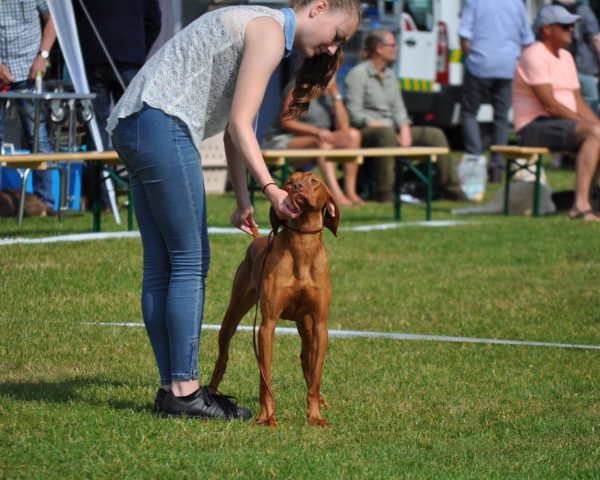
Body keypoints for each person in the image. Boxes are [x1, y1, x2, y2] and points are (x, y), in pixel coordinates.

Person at [108, 0, 361, 419]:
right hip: (163, 123)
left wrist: (243, 201)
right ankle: (186, 392)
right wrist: (271, 188)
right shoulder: (269, 29)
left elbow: (232, 130)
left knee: (161, 265)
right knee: (190, 261)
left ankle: (172, 388)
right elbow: (242, 125)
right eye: (338, 36)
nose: (334, 49)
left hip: (133, 123)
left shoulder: (258, 25)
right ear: (318, 9)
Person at [344, 28, 465, 203]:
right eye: (392, 45)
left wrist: (404, 128)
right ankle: (385, 191)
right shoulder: (358, 75)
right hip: (368, 131)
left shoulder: (391, 75)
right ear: (379, 48)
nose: (397, 48)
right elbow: (354, 114)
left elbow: (399, 109)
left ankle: (452, 188)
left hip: (392, 129)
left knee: (435, 135)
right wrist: (375, 124)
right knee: (385, 134)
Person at [513, 4, 600, 221]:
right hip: (533, 125)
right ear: (546, 29)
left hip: (558, 122)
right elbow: (550, 105)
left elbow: (578, 101)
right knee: (593, 134)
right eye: (565, 26)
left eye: (572, 25)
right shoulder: (534, 55)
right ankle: (579, 207)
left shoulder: (566, 57)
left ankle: (590, 200)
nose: (571, 29)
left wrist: (595, 124)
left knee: (596, 133)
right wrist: (591, 128)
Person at [73, 0, 162, 208]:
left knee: (96, 131)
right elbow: (154, 22)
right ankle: (142, 194)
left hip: (93, 57)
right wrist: (139, 49)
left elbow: (74, 21)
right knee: (137, 128)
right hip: (130, 55)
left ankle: (102, 199)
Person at [459, 0, 534, 183]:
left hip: (479, 63)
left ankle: (475, 159)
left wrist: (468, 58)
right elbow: (527, 40)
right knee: (501, 118)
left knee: (469, 113)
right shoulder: (517, 4)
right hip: (507, 67)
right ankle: (497, 165)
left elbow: (464, 34)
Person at [262, 74, 363, 206]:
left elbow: (343, 126)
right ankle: (335, 194)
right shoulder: (300, 88)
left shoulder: (329, 95)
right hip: (283, 140)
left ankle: (351, 192)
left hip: (318, 140)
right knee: (321, 142)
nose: (333, 76)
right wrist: (316, 132)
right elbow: (287, 122)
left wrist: (336, 94)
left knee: (353, 135)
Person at [0, 0, 57, 214]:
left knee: (38, 138)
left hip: (29, 70)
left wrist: (42, 56)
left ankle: (48, 204)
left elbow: (53, 20)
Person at [552, 0, 600, 115]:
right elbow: (596, 40)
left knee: (563, 103)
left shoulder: (551, 10)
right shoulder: (584, 10)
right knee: (591, 104)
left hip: (558, 67)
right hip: (584, 66)